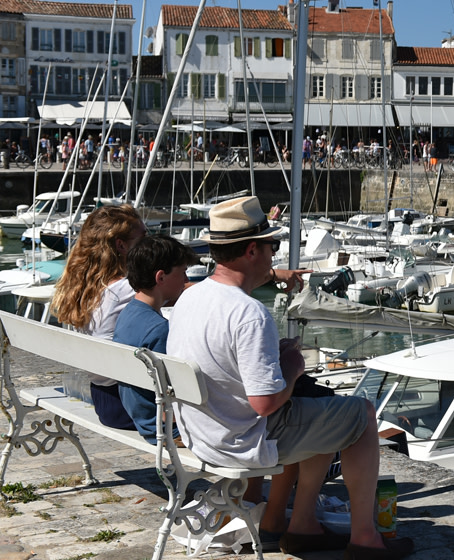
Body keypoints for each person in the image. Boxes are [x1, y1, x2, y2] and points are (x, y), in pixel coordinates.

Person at [168, 197, 413, 559]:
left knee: (322, 408)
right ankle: (365, 539)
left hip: (201, 433)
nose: (274, 255)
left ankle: (304, 527)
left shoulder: (191, 297)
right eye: (273, 245)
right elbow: (264, 403)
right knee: (360, 415)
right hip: (242, 441)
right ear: (252, 250)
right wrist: (294, 366)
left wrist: (271, 359)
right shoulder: (248, 312)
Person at [51, 206, 148, 430]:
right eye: (143, 237)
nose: (149, 242)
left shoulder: (84, 287)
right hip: (131, 404)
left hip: (104, 399)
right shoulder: (125, 289)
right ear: (121, 245)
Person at [114, 235, 200, 444]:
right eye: (182, 273)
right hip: (165, 428)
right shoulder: (159, 329)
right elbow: (176, 390)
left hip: (142, 418)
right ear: (161, 278)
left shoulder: (128, 314)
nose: (186, 280)